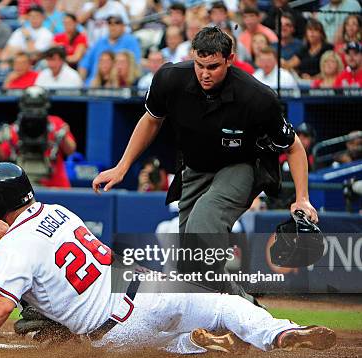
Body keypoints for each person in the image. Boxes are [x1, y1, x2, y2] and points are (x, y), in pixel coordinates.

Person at [0, 162, 336, 354]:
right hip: (150, 288)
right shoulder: (59, 211)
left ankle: (195, 344)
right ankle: (280, 332)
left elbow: (0, 305)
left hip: (115, 331)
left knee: (157, 348)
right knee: (224, 305)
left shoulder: (12, 248)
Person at [92, 26, 317, 299]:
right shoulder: (170, 78)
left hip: (242, 166)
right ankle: (241, 309)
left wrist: (302, 198)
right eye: (199, 65)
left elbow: (293, 148)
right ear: (192, 57)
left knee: (203, 221)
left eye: (213, 66)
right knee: (191, 266)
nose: (204, 73)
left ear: (230, 59)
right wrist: (122, 166)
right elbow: (151, 119)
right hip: (194, 167)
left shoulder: (257, 97)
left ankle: (242, 311)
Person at [0, 86, 77, 188]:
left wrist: (63, 135)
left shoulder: (56, 123)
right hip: (26, 189)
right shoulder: (15, 128)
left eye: (37, 106)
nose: (34, 110)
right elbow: (2, 155)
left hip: (56, 186)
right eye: (30, 106)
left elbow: (70, 150)